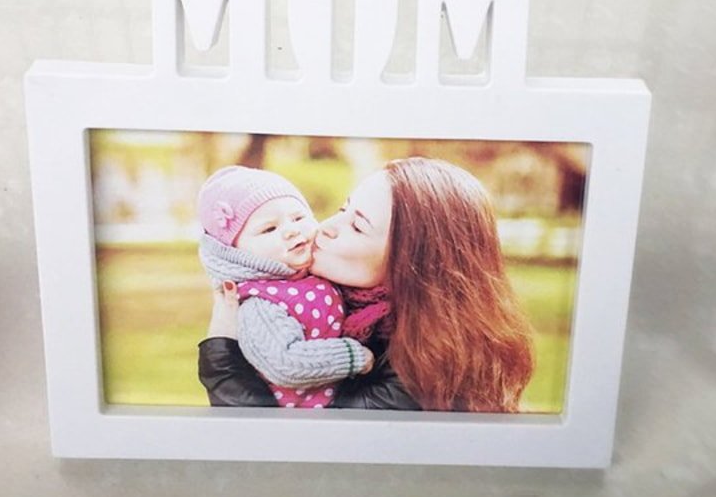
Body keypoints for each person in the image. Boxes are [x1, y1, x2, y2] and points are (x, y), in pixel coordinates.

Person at [199, 156, 534, 412]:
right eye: (343, 208)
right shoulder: (342, 310)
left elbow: (293, 449)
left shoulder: (418, 375)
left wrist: (222, 355)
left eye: (357, 226)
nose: (326, 226)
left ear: (414, 261)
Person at [197, 165, 373, 409]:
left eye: (298, 218)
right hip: (298, 420)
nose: (291, 231)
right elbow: (284, 363)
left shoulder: (314, 274)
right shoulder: (261, 304)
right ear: (236, 253)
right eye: (269, 229)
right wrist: (353, 355)